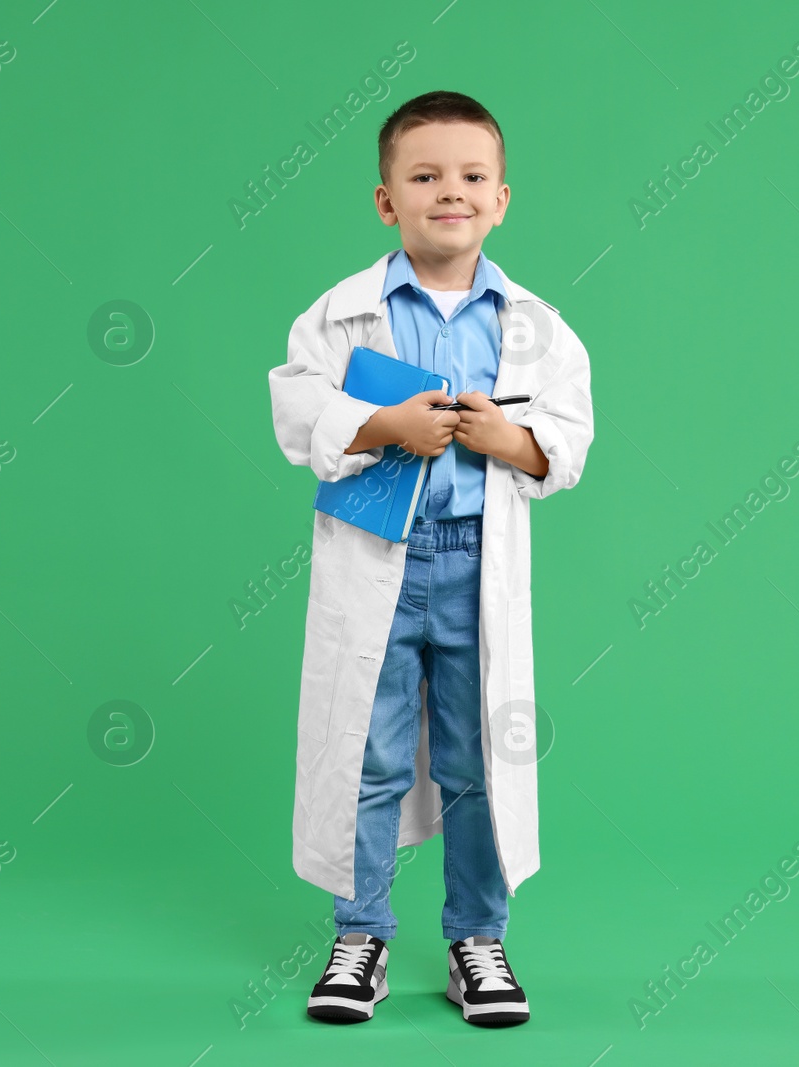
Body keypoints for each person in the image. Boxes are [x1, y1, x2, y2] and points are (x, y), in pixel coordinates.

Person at [268, 90, 595, 1027]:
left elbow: (566, 442)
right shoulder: (339, 317)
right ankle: (359, 931)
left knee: (479, 754)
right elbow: (297, 411)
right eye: (424, 177)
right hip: (381, 555)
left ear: (501, 199)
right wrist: (382, 424)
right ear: (386, 202)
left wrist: (507, 439)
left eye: (470, 177)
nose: (448, 192)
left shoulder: (534, 324)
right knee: (364, 753)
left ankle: (475, 940)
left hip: (473, 563)